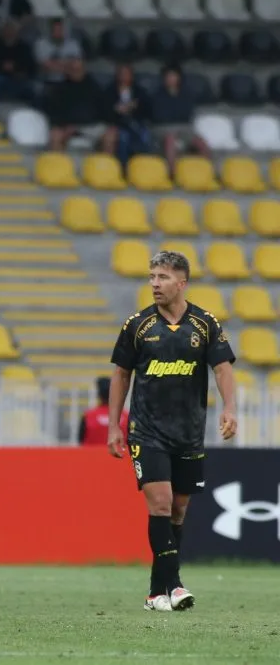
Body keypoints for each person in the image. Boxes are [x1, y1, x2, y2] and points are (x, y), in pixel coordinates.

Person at [107, 251, 237, 612]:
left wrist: (229, 408)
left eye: (162, 277)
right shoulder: (137, 325)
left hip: (189, 432)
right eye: (151, 276)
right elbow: (121, 374)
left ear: (182, 283)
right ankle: (175, 584)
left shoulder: (205, 324)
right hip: (147, 431)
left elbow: (223, 369)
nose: (154, 283)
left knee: (178, 510)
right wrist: (116, 426)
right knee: (161, 502)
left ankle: (155, 592)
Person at [46, 57, 116, 152]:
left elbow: (104, 112)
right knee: (55, 136)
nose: (76, 72)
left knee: (110, 135)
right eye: (73, 69)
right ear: (68, 71)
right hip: (67, 126)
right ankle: (59, 166)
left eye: (78, 69)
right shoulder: (59, 90)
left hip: (91, 126)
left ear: (84, 70)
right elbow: (54, 113)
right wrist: (65, 126)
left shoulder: (95, 88)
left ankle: (103, 166)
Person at [148, 64, 210, 169]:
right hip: (162, 128)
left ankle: (207, 170)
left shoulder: (186, 95)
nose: (171, 79)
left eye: (173, 76)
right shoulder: (156, 95)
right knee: (170, 139)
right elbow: (158, 116)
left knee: (200, 142)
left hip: (184, 128)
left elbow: (187, 114)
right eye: (168, 76)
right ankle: (173, 173)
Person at [0, 20, 36, 123]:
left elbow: (31, 66)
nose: (10, 32)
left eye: (13, 30)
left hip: (18, 80)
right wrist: (1, 67)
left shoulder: (24, 47)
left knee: (37, 87)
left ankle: (35, 119)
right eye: (8, 29)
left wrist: (16, 68)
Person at [78, 377, 128, 446]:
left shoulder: (88, 416)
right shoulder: (127, 417)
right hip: (119, 456)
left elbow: (80, 441)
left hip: (92, 456)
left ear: (99, 395)